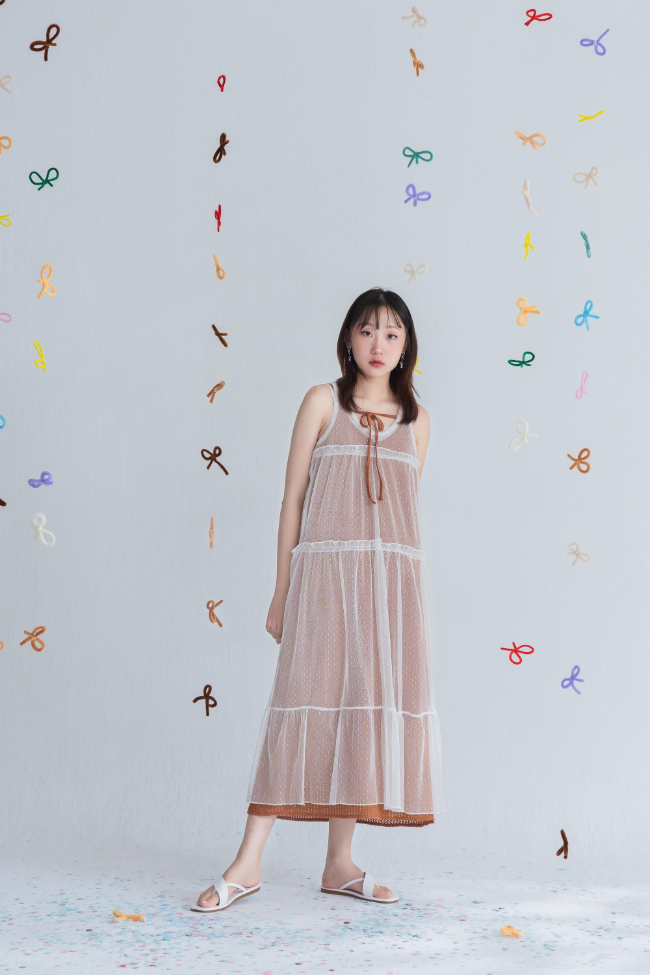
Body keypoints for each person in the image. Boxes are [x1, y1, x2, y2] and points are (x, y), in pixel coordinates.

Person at [193, 287, 444, 913]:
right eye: (367, 330)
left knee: (362, 711)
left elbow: (399, 521)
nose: (379, 344)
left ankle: (339, 863)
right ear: (348, 339)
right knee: (298, 701)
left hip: (389, 594)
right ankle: (248, 863)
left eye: (392, 333)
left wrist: (401, 606)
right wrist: (281, 591)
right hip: (323, 584)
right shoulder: (321, 402)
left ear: (407, 345)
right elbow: (294, 501)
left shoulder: (418, 421)